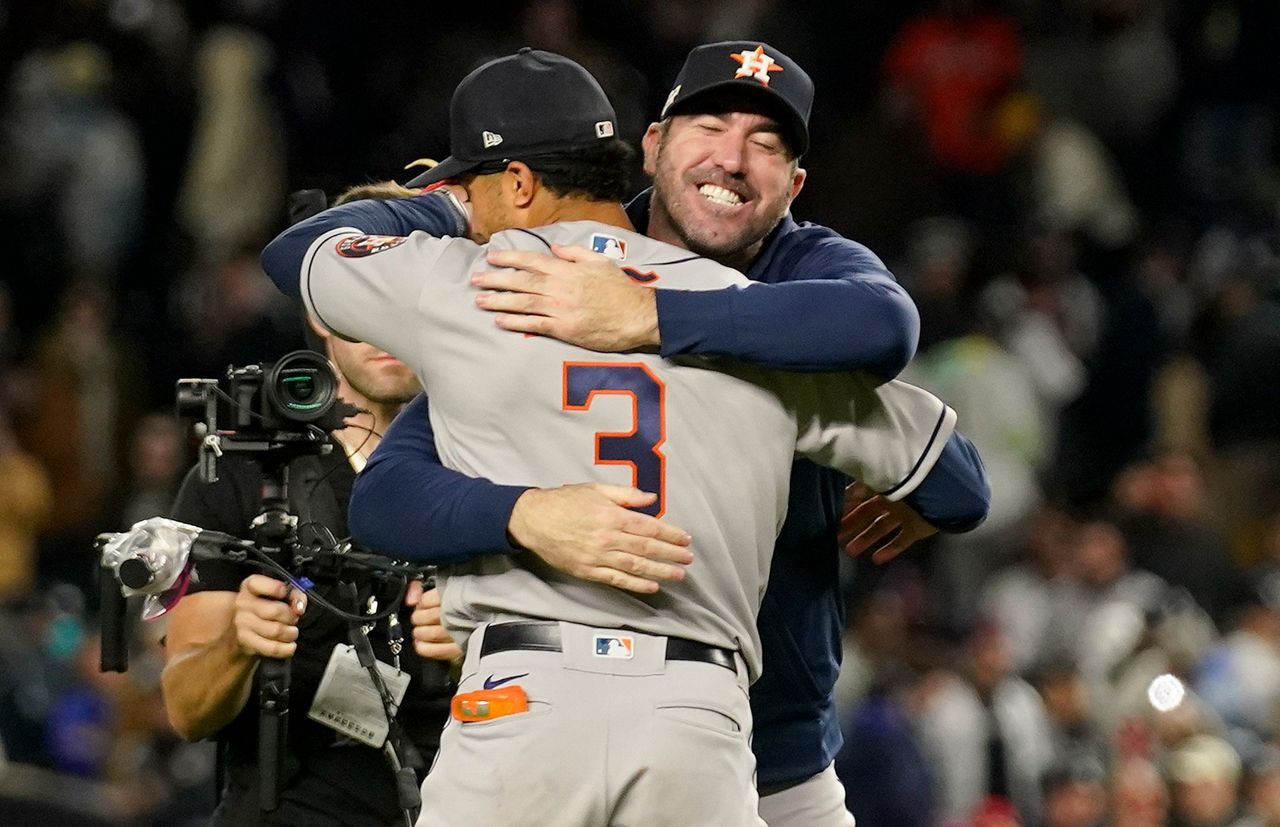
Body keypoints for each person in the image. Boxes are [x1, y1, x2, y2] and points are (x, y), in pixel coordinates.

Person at [260, 48, 980, 826]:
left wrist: (447, 209)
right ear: (643, 149)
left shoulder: (482, 285)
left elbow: (300, 251)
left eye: (766, 144)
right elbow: (953, 477)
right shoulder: (773, 322)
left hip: (530, 703)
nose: (733, 158)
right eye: (709, 124)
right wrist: (530, 511)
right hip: (703, 718)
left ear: (517, 183)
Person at [160, 182, 458, 826]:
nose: (384, 326)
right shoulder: (243, 471)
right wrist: (239, 642)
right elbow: (185, 707)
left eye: (402, 301)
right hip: (288, 802)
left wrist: (483, 640)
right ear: (321, 314)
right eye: (363, 300)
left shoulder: (495, 465)